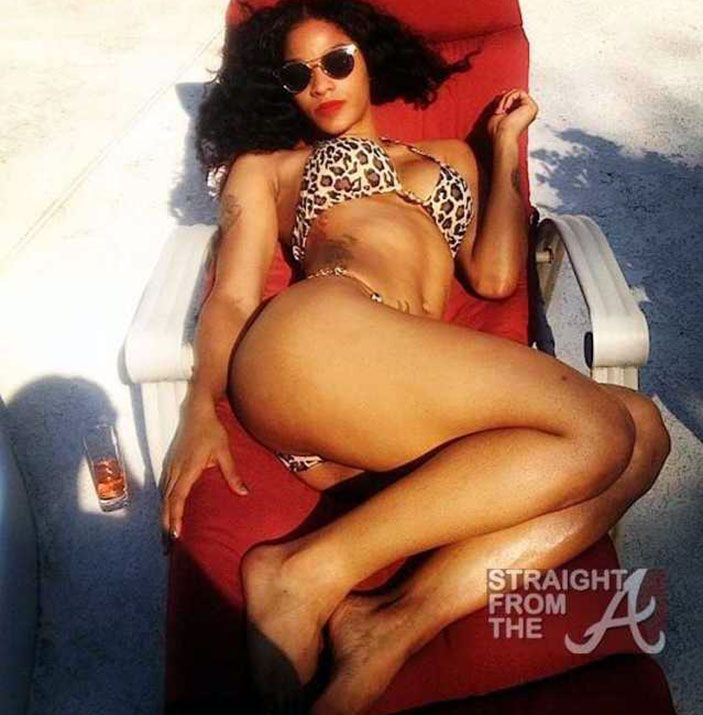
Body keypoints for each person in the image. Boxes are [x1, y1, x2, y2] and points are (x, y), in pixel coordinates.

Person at [161, 0, 672, 712]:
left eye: (336, 60)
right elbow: (233, 296)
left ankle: (392, 624)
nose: (321, 82)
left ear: (368, 60)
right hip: (317, 338)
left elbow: (496, 276)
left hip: (392, 406)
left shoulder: (453, 157)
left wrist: (502, 146)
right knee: (600, 429)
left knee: (642, 433)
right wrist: (198, 407)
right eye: (296, 75)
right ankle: (308, 571)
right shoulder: (271, 166)